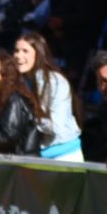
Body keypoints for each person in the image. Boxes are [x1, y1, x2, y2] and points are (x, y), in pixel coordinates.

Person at [12, 32, 82, 161]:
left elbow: (56, 126)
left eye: (25, 51)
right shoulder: (24, 80)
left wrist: (30, 119)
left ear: (38, 54)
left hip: (63, 155)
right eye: (16, 51)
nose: (18, 55)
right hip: (42, 155)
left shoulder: (52, 81)